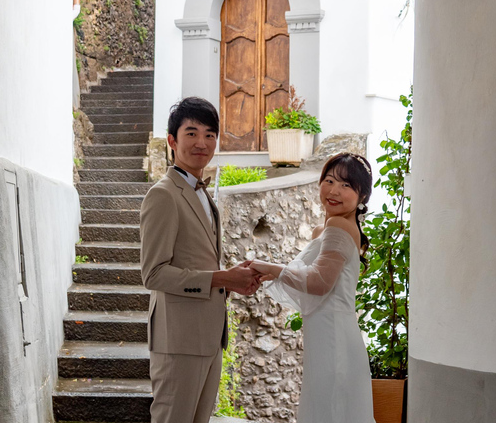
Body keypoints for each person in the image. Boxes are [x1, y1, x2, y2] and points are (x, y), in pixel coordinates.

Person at [139, 97, 261, 423]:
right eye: (191, 133)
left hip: (208, 337)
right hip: (178, 341)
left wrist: (234, 282)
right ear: (172, 141)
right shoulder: (163, 194)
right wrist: (221, 279)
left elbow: (199, 259)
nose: (202, 143)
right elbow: (154, 274)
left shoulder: (202, 192)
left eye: (210, 134)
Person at [249, 152, 376, 423]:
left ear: (362, 196)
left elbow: (319, 283)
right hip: (329, 333)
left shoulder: (339, 225)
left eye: (346, 186)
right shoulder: (329, 228)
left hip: (333, 337)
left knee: (330, 411)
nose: (334, 191)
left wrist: (270, 268)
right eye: (329, 181)